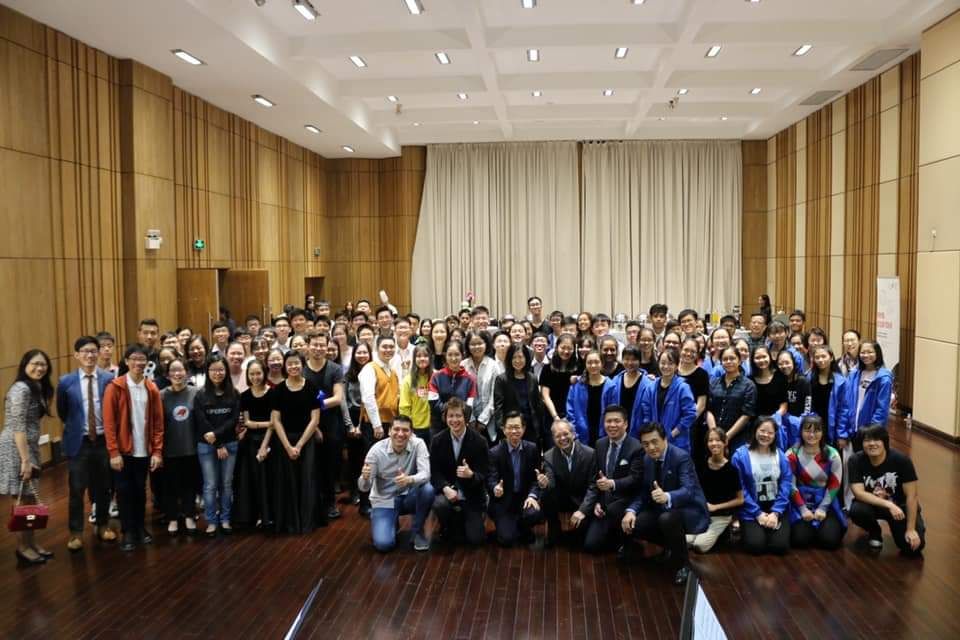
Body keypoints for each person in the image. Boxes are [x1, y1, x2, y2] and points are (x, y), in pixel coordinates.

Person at [621, 422, 709, 584]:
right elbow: (644, 492)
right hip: (663, 509)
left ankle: (685, 565)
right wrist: (631, 511)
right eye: (646, 444)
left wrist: (668, 496)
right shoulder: (647, 459)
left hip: (689, 509)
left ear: (665, 439)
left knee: (667, 519)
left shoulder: (681, 457)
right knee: (636, 524)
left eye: (655, 441)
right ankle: (671, 547)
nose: (651, 447)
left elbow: (688, 490)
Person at [57, 337, 117, 551]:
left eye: (93, 351)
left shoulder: (108, 379)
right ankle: (75, 533)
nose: (90, 355)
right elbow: (63, 412)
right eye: (85, 351)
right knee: (76, 490)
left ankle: (102, 525)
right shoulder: (65, 382)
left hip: (103, 441)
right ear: (76, 355)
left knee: (103, 487)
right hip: (79, 443)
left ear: (99, 353)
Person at [103, 344, 165, 552]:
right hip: (122, 452)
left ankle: (140, 527)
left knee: (140, 490)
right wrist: (113, 452)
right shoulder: (116, 387)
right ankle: (127, 531)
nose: (138, 363)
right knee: (123, 491)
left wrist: (156, 451)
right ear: (127, 361)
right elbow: (109, 424)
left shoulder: (152, 388)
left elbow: (158, 423)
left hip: (144, 451)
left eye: (142, 359)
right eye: (134, 359)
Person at [0, 350, 55, 565]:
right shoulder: (21, 389)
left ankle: (32, 543)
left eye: (43, 365)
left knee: (30, 499)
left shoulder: (37, 387)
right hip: (16, 449)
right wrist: (25, 460)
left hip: (28, 447)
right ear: (24, 365)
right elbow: (18, 428)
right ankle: (22, 547)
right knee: (21, 500)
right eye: (34, 364)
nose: (39, 368)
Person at [359, 415, 434, 552]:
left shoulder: (418, 444)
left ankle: (417, 531)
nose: (400, 434)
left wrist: (409, 479)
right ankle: (389, 521)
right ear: (389, 431)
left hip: (407, 496)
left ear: (411, 433)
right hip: (384, 500)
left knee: (428, 490)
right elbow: (364, 487)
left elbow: (426, 474)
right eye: (396, 429)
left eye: (405, 430)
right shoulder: (376, 451)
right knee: (383, 545)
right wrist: (364, 478)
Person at [848, 425, 925, 555]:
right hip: (873, 505)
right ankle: (874, 531)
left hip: (899, 508)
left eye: (877, 439)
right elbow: (859, 493)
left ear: (885, 442)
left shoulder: (901, 460)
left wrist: (911, 529)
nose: (872, 444)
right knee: (857, 511)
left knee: (913, 549)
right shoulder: (855, 460)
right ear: (861, 443)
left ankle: (914, 526)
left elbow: (912, 496)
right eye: (867, 440)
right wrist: (888, 504)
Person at [576, 406, 643, 553]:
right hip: (604, 504)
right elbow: (595, 478)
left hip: (624, 501)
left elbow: (636, 479)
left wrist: (612, 484)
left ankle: (628, 543)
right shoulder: (600, 444)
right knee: (590, 546)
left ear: (626, 424)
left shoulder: (637, 447)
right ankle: (615, 538)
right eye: (608, 421)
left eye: (616, 421)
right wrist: (597, 502)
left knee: (613, 514)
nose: (612, 425)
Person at [270, 351, 321, 533]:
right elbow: (275, 420)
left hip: (305, 440)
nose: (293, 367)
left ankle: (307, 522)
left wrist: (298, 445)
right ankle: (291, 523)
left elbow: (315, 419)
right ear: (285, 366)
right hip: (284, 441)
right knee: (287, 481)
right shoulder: (278, 390)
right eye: (289, 364)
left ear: (303, 365)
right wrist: (288, 446)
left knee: (307, 479)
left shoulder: (312, 387)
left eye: (296, 363)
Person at [429, 398, 490, 546]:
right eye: (450, 416)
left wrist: (471, 475)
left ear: (466, 418)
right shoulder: (437, 440)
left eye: (458, 416)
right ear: (445, 418)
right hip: (449, 492)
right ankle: (447, 524)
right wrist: (445, 488)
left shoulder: (480, 441)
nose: (454, 420)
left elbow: (484, 474)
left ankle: (473, 517)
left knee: (476, 540)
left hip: (472, 494)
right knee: (440, 504)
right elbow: (435, 471)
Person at [193, 354, 241, 536]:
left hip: (229, 443)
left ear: (226, 371)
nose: (217, 373)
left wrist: (218, 439)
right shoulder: (200, 395)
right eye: (213, 369)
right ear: (207, 371)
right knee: (210, 485)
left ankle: (226, 519)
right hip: (206, 445)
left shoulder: (234, 393)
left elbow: (233, 420)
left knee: (227, 484)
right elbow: (202, 422)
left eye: (221, 369)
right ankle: (211, 521)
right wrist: (217, 442)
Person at [731, 416, 792, 555]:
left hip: (776, 508)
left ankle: (768, 529)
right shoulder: (740, 456)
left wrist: (776, 512)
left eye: (770, 432)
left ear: (775, 435)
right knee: (755, 547)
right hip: (751, 509)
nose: (766, 435)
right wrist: (758, 514)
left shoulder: (781, 456)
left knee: (780, 547)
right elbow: (740, 489)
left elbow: (786, 484)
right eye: (762, 431)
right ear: (754, 431)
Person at [302, 331, 345, 521]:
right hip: (306, 424)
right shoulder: (302, 370)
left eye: (322, 345)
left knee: (329, 466)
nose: (318, 348)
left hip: (331, 424)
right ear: (308, 346)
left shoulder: (335, 369)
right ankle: (312, 504)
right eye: (315, 344)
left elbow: (337, 398)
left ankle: (330, 503)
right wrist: (313, 423)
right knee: (311, 466)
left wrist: (314, 405)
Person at [787, 416, 846, 550]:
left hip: (825, 501)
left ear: (823, 432)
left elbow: (835, 484)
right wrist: (802, 509)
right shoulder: (792, 454)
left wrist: (823, 508)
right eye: (808, 430)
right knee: (799, 541)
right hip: (799, 502)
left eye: (816, 430)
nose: (812, 435)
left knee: (830, 542)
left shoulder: (833, 454)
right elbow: (790, 484)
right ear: (801, 431)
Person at [357, 335, 401, 516]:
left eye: (391, 346)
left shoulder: (392, 370)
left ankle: (382, 500)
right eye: (385, 347)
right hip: (374, 424)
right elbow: (368, 397)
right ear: (377, 348)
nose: (388, 350)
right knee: (371, 462)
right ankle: (365, 503)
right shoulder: (370, 368)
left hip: (389, 423)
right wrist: (376, 425)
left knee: (386, 463)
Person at [536, 419, 597, 546]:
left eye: (565, 434)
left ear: (573, 434)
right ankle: (554, 528)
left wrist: (583, 510)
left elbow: (593, 486)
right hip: (562, 497)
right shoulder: (548, 456)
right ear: (553, 438)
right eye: (558, 436)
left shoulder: (590, 454)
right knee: (546, 495)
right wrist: (545, 484)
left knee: (583, 540)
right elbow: (551, 484)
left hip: (582, 498)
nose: (562, 438)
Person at [486, 412, 543, 546]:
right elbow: (491, 479)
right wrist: (495, 488)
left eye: (517, 427)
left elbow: (536, 478)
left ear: (523, 429)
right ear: (503, 429)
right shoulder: (494, 453)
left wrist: (532, 495)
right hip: (504, 501)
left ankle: (522, 527)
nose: (514, 431)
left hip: (524, 499)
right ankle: (514, 529)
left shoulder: (532, 449)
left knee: (535, 513)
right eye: (510, 427)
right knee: (506, 540)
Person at [687, 427, 743, 553]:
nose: (714, 443)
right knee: (685, 540)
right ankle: (715, 534)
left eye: (718, 440)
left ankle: (722, 534)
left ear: (725, 442)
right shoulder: (701, 464)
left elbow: (740, 500)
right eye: (710, 440)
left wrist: (716, 507)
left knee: (699, 546)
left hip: (721, 515)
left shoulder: (732, 470)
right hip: (702, 512)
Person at [159, 359, 199, 535]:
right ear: (167, 374)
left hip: (191, 447)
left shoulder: (196, 393)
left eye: (180, 370)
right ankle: (173, 518)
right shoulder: (160, 395)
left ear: (187, 372)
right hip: (169, 449)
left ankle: (189, 515)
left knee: (189, 483)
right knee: (170, 486)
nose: (177, 374)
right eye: (172, 371)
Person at [234, 360, 273, 529]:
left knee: (268, 480)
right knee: (252, 480)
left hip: (270, 440)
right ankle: (254, 515)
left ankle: (268, 516)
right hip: (250, 441)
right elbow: (247, 422)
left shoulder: (273, 393)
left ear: (264, 373)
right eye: (252, 374)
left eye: (258, 373)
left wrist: (264, 445)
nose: (255, 377)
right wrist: (266, 424)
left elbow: (275, 424)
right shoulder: (245, 395)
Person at [640, 348, 696, 451]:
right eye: (663, 363)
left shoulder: (683, 387)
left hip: (677, 442)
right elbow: (646, 412)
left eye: (670, 363)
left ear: (676, 365)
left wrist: (672, 434)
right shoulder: (650, 388)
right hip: (654, 441)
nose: (666, 366)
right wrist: (651, 434)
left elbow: (690, 414)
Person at [707, 346, 757, 452]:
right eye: (725, 359)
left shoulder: (749, 385)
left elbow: (746, 415)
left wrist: (725, 438)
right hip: (713, 437)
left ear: (739, 360)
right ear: (721, 362)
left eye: (732, 358)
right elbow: (708, 410)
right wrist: (715, 436)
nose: (728, 362)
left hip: (738, 437)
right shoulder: (714, 383)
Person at [493, 343, 544, 447]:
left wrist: (538, 426)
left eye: (520, 357)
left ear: (526, 358)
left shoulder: (532, 378)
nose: (517, 361)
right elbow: (498, 407)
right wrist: (502, 428)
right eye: (514, 357)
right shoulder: (502, 379)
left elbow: (537, 404)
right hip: (511, 428)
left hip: (530, 427)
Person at [844, 340, 893, 444]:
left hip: (870, 432)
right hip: (852, 430)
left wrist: (872, 433)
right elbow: (846, 402)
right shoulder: (854, 374)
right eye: (862, 352)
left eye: (870, 352)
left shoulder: (883, 378)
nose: (866, 355)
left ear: (877, 354)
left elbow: (882, 410)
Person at [427, 340, 477, 437]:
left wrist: (456, 417)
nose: (453, 358)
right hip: (438, 427)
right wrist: (450, 415)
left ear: (462, 355)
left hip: (460, 427)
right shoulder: (436, 376)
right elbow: (433, 402)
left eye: (457, 354)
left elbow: (469, 405)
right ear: (445, 355)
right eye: (450, 355)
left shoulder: (470, 379)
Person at [566, 351, 616, 447]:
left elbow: (614, 412)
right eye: (589, 362)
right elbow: (570, 410)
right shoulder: (577, 384)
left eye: (596, 362)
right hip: (580, 435)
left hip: (604, 434)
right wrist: (574, 433)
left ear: (602, 364)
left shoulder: (611, 386)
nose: (593, 365)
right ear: (585, 364)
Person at [678, 337, 710, 471]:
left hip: (691, 426)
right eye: (686, 350)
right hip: (670, 422)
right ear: (680, 349)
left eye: (693, 351)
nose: (688, 354)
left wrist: (684, 423)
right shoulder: (672, 369)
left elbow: (701, 405)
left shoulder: (702, 374)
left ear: (697, 353)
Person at [602, 345, 649, 434]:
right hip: (616, 430)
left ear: (639, 361)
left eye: (634, 359)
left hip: (639, 432)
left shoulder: (648, 384)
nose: (630, 363)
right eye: (626, 359)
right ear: (622, 360)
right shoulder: (615, 382)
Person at [461, 332, 498, 445]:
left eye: (480, 343)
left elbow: (495, 396)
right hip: (467, 422)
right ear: (467, 346)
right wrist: (471, 419)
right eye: (473, 344)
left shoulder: (494, 366)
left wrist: (482, 420)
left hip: (489, 422)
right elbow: (461, 395)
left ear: (486, 344)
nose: (476, 347)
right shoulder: (463, 365)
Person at [540, 335, 579, 428]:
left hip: (573, 416)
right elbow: (545, 396)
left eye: (570, 348)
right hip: (551, 415)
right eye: (563, 347)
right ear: (557, 347)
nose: (566, 351)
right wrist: (556, 417)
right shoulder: (547, 368)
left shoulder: (579, 368)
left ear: (574, 350)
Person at [776, 349, 811, 449]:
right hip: (783, 423)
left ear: (793, 363)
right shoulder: (779, 381)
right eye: (780, 364)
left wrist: (802, 422)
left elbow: (808, 405)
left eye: (787, 362)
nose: (784, 366)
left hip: (799, 424)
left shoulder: (803, 381)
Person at [399, 344, 434, 443]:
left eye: (425, 356)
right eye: (418, 356)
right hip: (415, 428)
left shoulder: (436, 377)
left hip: (433, 427)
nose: (422, 358)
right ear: (414, 359)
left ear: (430, 358)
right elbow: (404, 407)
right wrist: (408, 428)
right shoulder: (408, 380)